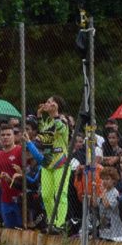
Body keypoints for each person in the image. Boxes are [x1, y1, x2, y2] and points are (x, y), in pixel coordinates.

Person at [36, 95, 70, 230]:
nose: (47, 103)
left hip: (60, 161)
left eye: (50, 101)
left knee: (61, 193)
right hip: (47, 162)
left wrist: (55, 115)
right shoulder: (47, 121)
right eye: (47, 101)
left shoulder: (62, 119)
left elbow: (61, 130)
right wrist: (39, 116)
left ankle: (60, 224)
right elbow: (43, 135)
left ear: (57, 105)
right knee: (46, 194)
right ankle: (51, 221)